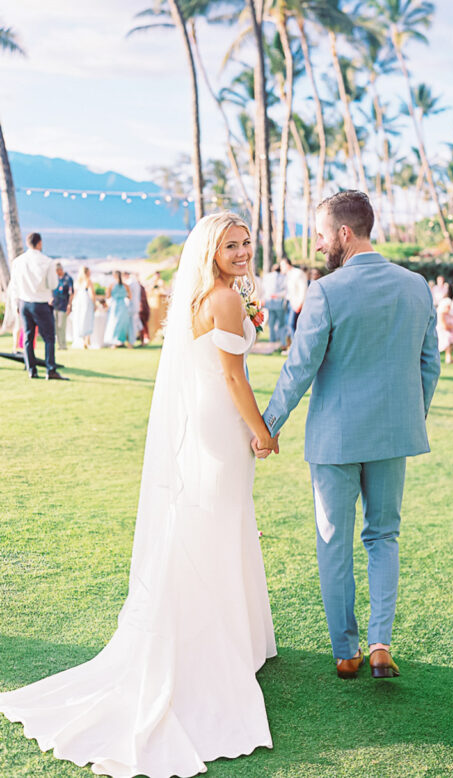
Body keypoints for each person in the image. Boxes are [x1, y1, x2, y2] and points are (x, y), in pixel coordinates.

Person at [0, 213, 279, 775]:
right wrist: (262, 430)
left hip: (207, 417)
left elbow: (231, 358)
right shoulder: (223, 300)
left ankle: (234, 630)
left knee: (215, 519)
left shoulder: (215, 296)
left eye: (247, 242)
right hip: (223, 418)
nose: (244, 250)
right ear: (210, 251)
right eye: (232, 245)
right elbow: (234, 378)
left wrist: (251, 311)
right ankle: (211, 639)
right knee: (220, 520)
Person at [258, 191, 440, 680]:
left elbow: (300, 367)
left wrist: (268, 425)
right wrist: (408, 418)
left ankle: (347, 651)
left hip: (335, 438)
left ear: (343, 233)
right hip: (392, 436)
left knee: (332, 541)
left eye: (320, 235)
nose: (318, 246)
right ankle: (381, 643)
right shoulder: (417, 286)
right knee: (384, 536)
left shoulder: (327, 291)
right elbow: (430, 365)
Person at [9, 232, 64, 380]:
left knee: (28, 337)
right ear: (39, 243)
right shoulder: (47, 262)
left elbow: (14, 285)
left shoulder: (18, 261)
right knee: (49, 338)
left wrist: (16, 303)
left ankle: (31, 370)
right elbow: (53, 284)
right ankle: (50, 370)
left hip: (24, 302)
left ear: (28, 243)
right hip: (40, 303)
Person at [104, 270, 133, 347]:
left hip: (115, 306)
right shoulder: (126, 285)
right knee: (122, 324)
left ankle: (115, 341)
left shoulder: (111, 285)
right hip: (123, 306)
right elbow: (130, 297)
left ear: (114, 276)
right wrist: (123, 295)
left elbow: (108, 296)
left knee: (114, 323)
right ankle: (121, 341)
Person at [262, 263, 288, 344]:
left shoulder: (267, 277)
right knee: (281, 324)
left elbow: (263, 289)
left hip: (269, 303)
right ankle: (282, 342)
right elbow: (286, 290)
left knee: (271, 324)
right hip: (279, 303)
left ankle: (272, 341)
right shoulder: (284, 277)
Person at [71, 265, 96, 348]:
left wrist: (71, 303)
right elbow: (92, 293)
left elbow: (74, 294)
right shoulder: (88, 281)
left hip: (78, 301)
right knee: (87, 319)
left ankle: (84, 339)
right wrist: (94, 304)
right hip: (85, 300)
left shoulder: (77, 281)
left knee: (80, 319)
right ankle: (86, 339)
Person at [52, 262, 74, 350]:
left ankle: (63, 345)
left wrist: (69, 305)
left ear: (60, 270)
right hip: (55, 304)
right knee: (56, 326)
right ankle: (59, 344)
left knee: (62, 325)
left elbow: (71, 293)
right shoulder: (55, 278)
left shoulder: (68, 279)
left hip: (63, 304)